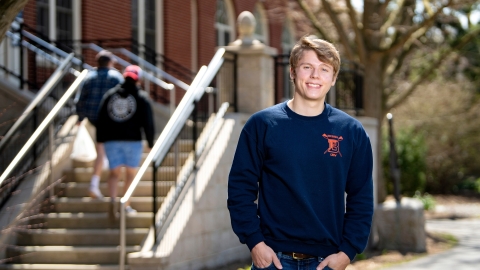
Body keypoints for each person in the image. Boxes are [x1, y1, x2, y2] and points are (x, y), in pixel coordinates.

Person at [227, 35, 374, 270]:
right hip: (273, 260)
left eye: (324, 69)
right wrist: (254, 242)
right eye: (308, 67)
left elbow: (362, 198)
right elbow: (240, 188)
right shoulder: (262, 125)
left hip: (326, 261)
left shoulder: (351, 132)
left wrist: (347, 252)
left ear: (333, 78)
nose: (316, 75)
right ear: (293, 72)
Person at [96, 65, 155, 218]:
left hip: (111, 140)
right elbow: (148, 121)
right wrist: (150, 142)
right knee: (130, 174)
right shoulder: (141, 97)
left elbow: (101, 118)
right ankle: (125, 204)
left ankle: (113, 201)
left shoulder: (110, 95)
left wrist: (100, 139)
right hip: (133, 140)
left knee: (114, 173)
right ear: (138, 79)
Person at [75, 50, 124, 200]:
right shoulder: (116, 77)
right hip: (110, 119)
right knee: (104, 150)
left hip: (92, 119)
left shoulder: (89, 77)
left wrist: (80, 117)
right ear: (110, 63)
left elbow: (81, 99)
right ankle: (95, 184)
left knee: (100, 148)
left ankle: (96, 181)